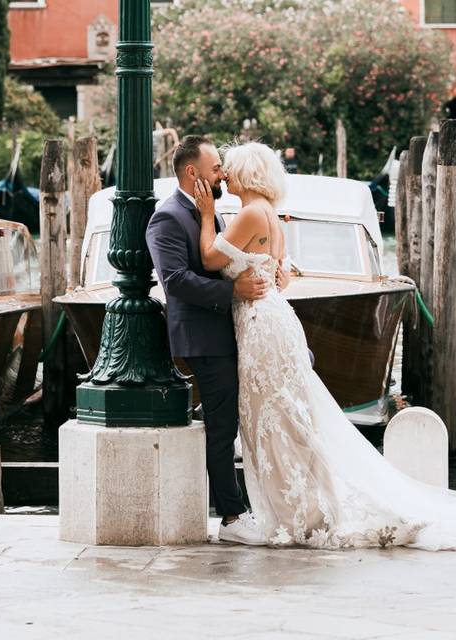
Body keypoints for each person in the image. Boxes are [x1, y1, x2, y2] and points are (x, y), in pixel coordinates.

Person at [194, 141, 456, 550]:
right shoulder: (269, 213)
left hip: (261, 325)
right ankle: (301, 509)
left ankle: (298, 512)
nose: (224, 176)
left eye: (229, 169)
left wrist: (206, 216)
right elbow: (277, 271)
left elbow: (211, 260)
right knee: (283, 418)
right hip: (267, 320)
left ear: (246, 173)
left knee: (275, 419)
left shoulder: (250, 212)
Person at [145, 136, 289, 545]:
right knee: (222, 425)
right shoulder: (168, 217)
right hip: (203, 336)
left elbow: (222, 260)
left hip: (230, 329)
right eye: (215, 169)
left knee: (235, 420)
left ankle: (247, 509)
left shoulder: (213, 214)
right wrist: (233, 293)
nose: (222, 174)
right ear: (193, 174)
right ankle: (231, 517)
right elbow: (174, 281)